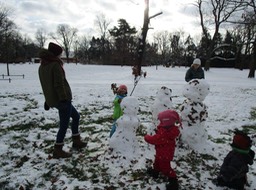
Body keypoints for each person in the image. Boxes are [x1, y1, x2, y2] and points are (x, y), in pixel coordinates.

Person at [38, 42, 87, 159]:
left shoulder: (42, 66)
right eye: (60, 54)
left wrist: (48, 99)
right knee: (64, 125)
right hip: (62, 100)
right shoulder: (55, 65)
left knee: (76, 116)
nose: (60, 56)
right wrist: (64, 99)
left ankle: (76, 141)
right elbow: (58, 84)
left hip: (55, 100)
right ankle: (58, 149)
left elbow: (46, 86)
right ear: (55, 54)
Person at [144, 109, 182, 190]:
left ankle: (173, 181)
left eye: (161, 121)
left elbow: (154, 140)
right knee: (157, 162)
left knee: (166, 168)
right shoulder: (169, 129)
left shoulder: (164, 133)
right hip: (162, 152)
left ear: (166, 122)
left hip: (164, 154)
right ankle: (155, 172)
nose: (160, 122)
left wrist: (146, 137)